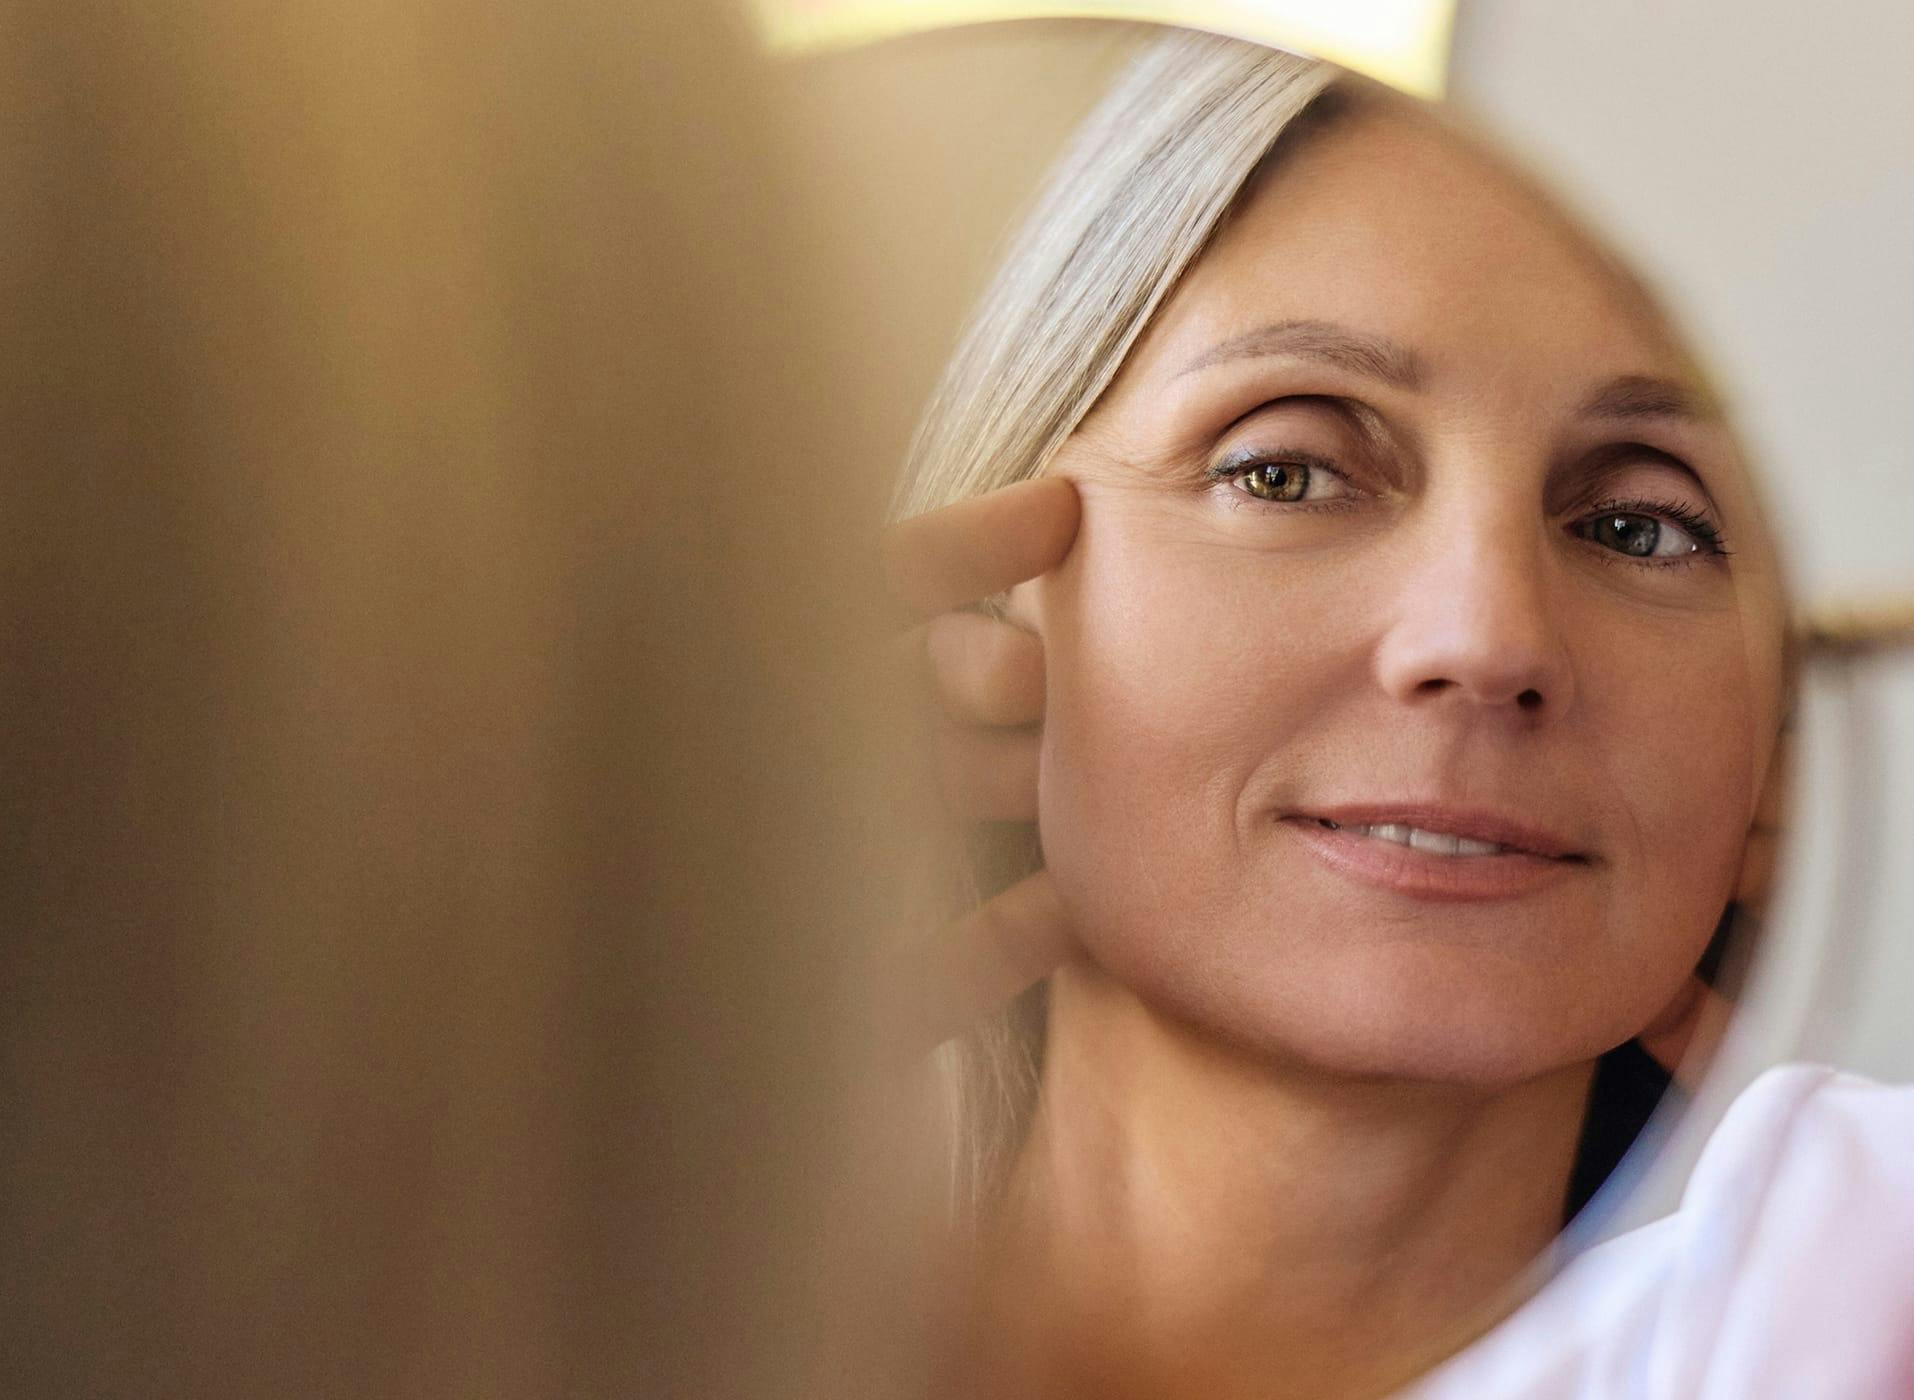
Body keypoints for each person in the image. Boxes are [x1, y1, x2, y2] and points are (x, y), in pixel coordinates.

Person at [880, 29, 1914, 1400]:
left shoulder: (1852, 1287)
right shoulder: (571, 1272)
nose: (1485, 640)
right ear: (991, 589)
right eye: (1290, 474)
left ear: (1769, 759)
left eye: (1639, 524)